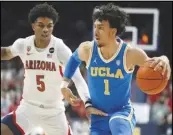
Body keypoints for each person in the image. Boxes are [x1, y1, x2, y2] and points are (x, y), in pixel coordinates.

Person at [60, 3, 171, 135]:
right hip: (98, 116)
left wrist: (165, 59)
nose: (95, 31)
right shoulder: (88, 49)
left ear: (113, 31)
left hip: (122, 113)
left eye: (100, 28)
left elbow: (156, 68)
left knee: (116, 122)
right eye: (95, 27)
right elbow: (73, 59)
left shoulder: (130, 54)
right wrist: (64, 84)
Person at [1, 3, 106, 135]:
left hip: (53, 112)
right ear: (33, 26)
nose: (45, 29)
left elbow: (78, 79)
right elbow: (6, 53)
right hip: (28, 108)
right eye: (41, 25)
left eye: (49, 26)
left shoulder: (60, 49)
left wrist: (88, 104)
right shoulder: (23, 44)